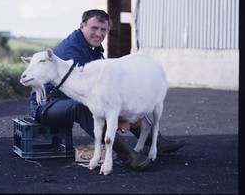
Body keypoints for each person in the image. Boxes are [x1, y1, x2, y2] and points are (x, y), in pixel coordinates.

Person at [30, 9, 186, 170]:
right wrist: (122, 120)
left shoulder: (92, 46)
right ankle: (130, 156)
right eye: (94, 28)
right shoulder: (71, 53)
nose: (99, 34)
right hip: (48, 104)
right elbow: (89, 95)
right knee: (84, 107)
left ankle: (156, 142)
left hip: (73, 99)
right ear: (82, 26)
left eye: (103, 29)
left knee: (121, 98)